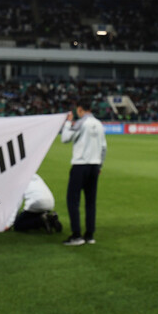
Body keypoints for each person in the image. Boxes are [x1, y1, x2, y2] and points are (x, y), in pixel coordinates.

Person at [60, 99, 107, 246]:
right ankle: (89, 235)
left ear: (80, 109)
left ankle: (76, 235)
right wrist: (99, 166)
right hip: (94, 166)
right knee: (90, 201)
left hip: (80, 165)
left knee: (73, 200)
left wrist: (68, 122)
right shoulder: (99, 124)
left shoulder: (81, 123)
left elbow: (65, 139)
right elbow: (104, 148)